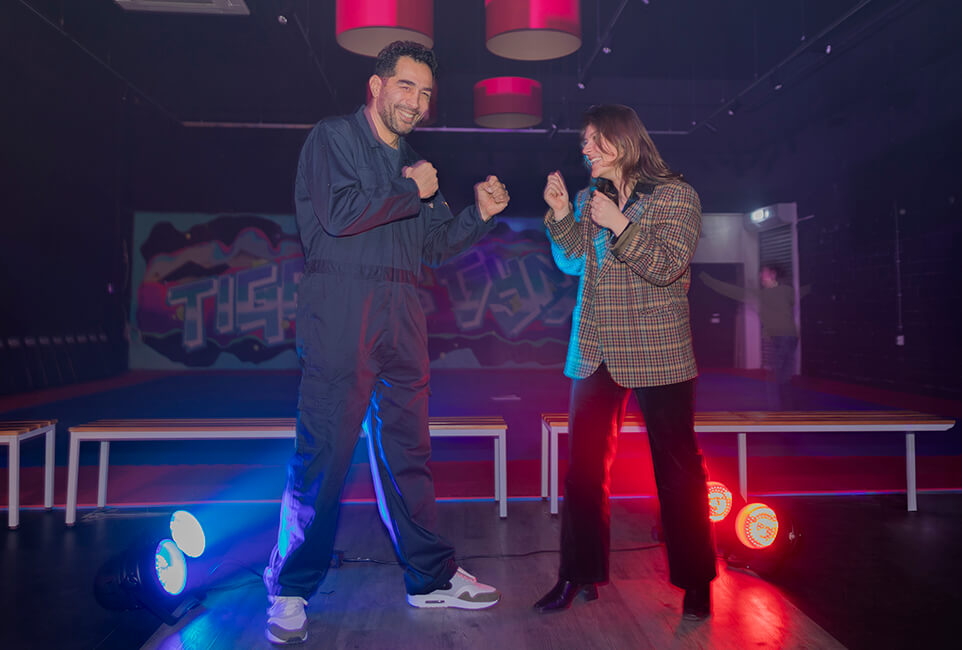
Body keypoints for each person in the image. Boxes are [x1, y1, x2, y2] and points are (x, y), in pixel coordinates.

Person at [263, 41, 508, 645]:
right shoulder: (333, 138)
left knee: (409, 454)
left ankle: (429, 579)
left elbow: (434, 247)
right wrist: (413, 188)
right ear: (376, 86)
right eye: (407, 87)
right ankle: (291, 587)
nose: (417, 102)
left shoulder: (416, 164)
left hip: (402, 315)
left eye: (426, 93)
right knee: (324, 454)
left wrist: (476, 213)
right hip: (342, 311)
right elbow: (341, 212)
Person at [536, 104, 716, 621]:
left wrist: (618, 223)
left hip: (658, 350)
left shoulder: (676, 195)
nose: (585, 149)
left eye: (594, 139)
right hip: (594, 350)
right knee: (583, 473)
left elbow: (667, 266)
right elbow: (573, 261)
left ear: (622, 139)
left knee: (678, 470)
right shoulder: (588, 197)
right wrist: (561, 217)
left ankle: (697, 580)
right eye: (584, 142)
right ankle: (579, 573)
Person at [699, 265, 808, 409]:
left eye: (763, 273)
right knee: (783, 376)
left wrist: (708, 280)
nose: (760, 276)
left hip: (784, 338)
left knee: (777, 376)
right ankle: (787, 408)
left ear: (772, 274)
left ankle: (781, 410)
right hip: (788, 338)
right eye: (761, 274)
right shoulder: (777, 292)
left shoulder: (776, 292)